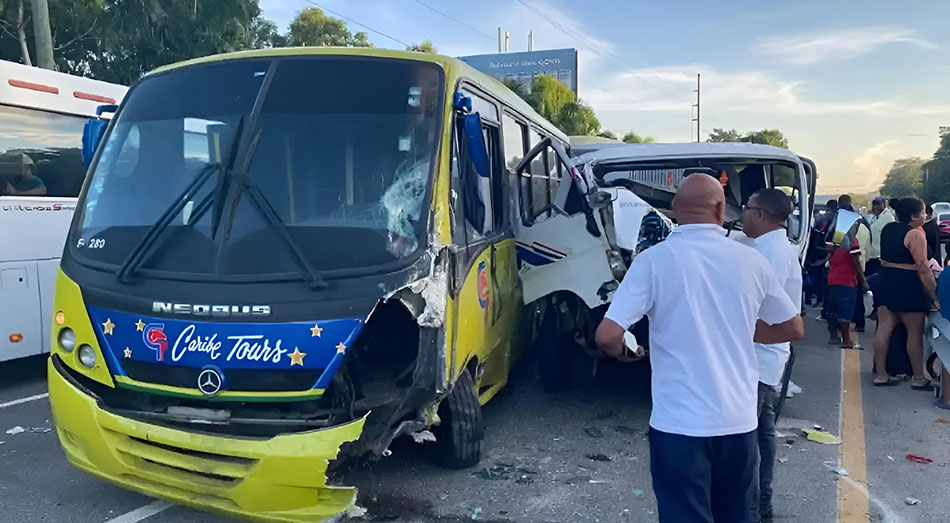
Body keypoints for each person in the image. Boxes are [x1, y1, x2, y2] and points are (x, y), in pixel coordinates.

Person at [595, 174, 804, 523]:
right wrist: (740, 331)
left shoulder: (653, 261)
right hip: (738, 421)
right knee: (737, 514)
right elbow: (792, 327)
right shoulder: (751, 261)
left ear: (675, 211)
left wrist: (622, 352)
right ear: (721, 209)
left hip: (679, 425)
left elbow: (606, 335)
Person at [741, 188, 802, 523]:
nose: (743, 214)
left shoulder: (766, 254)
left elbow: (755, 307)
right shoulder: (774, 247)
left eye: (747, 209)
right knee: (762, 433)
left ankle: (751, 510)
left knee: (746, 441)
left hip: (758, 357)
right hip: (768, 357)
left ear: (761, 214)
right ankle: (761, 507)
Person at [873, 197, 939, 388]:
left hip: (885, 279)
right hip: (907, 283)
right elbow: (922, 266)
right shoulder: (916, 235)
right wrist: (933, 294)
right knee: (914, 333)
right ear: (914, 216)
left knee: (884, 329)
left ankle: (881, 374)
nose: (925, 216)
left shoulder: (888, 229)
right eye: (923, 213)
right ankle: (918, 377)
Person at [836, 196, 871, 332]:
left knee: (844, 298)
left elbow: (835, 247)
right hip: (860, 265)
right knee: (858, 297)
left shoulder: (842, 227)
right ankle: (859, 323)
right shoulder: (865, 225)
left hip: (844, 267)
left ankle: (842, 328)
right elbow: (867, 247)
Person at [867, 197, 895, 321]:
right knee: (873, 285)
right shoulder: (873, 217)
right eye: (874, 205)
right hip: (872, 256)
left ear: (884, 205)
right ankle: (876, 307)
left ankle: (880, 309)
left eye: (878, 205)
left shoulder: (888, 218)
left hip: (881, 257)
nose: (875, 207)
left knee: (879, 285)